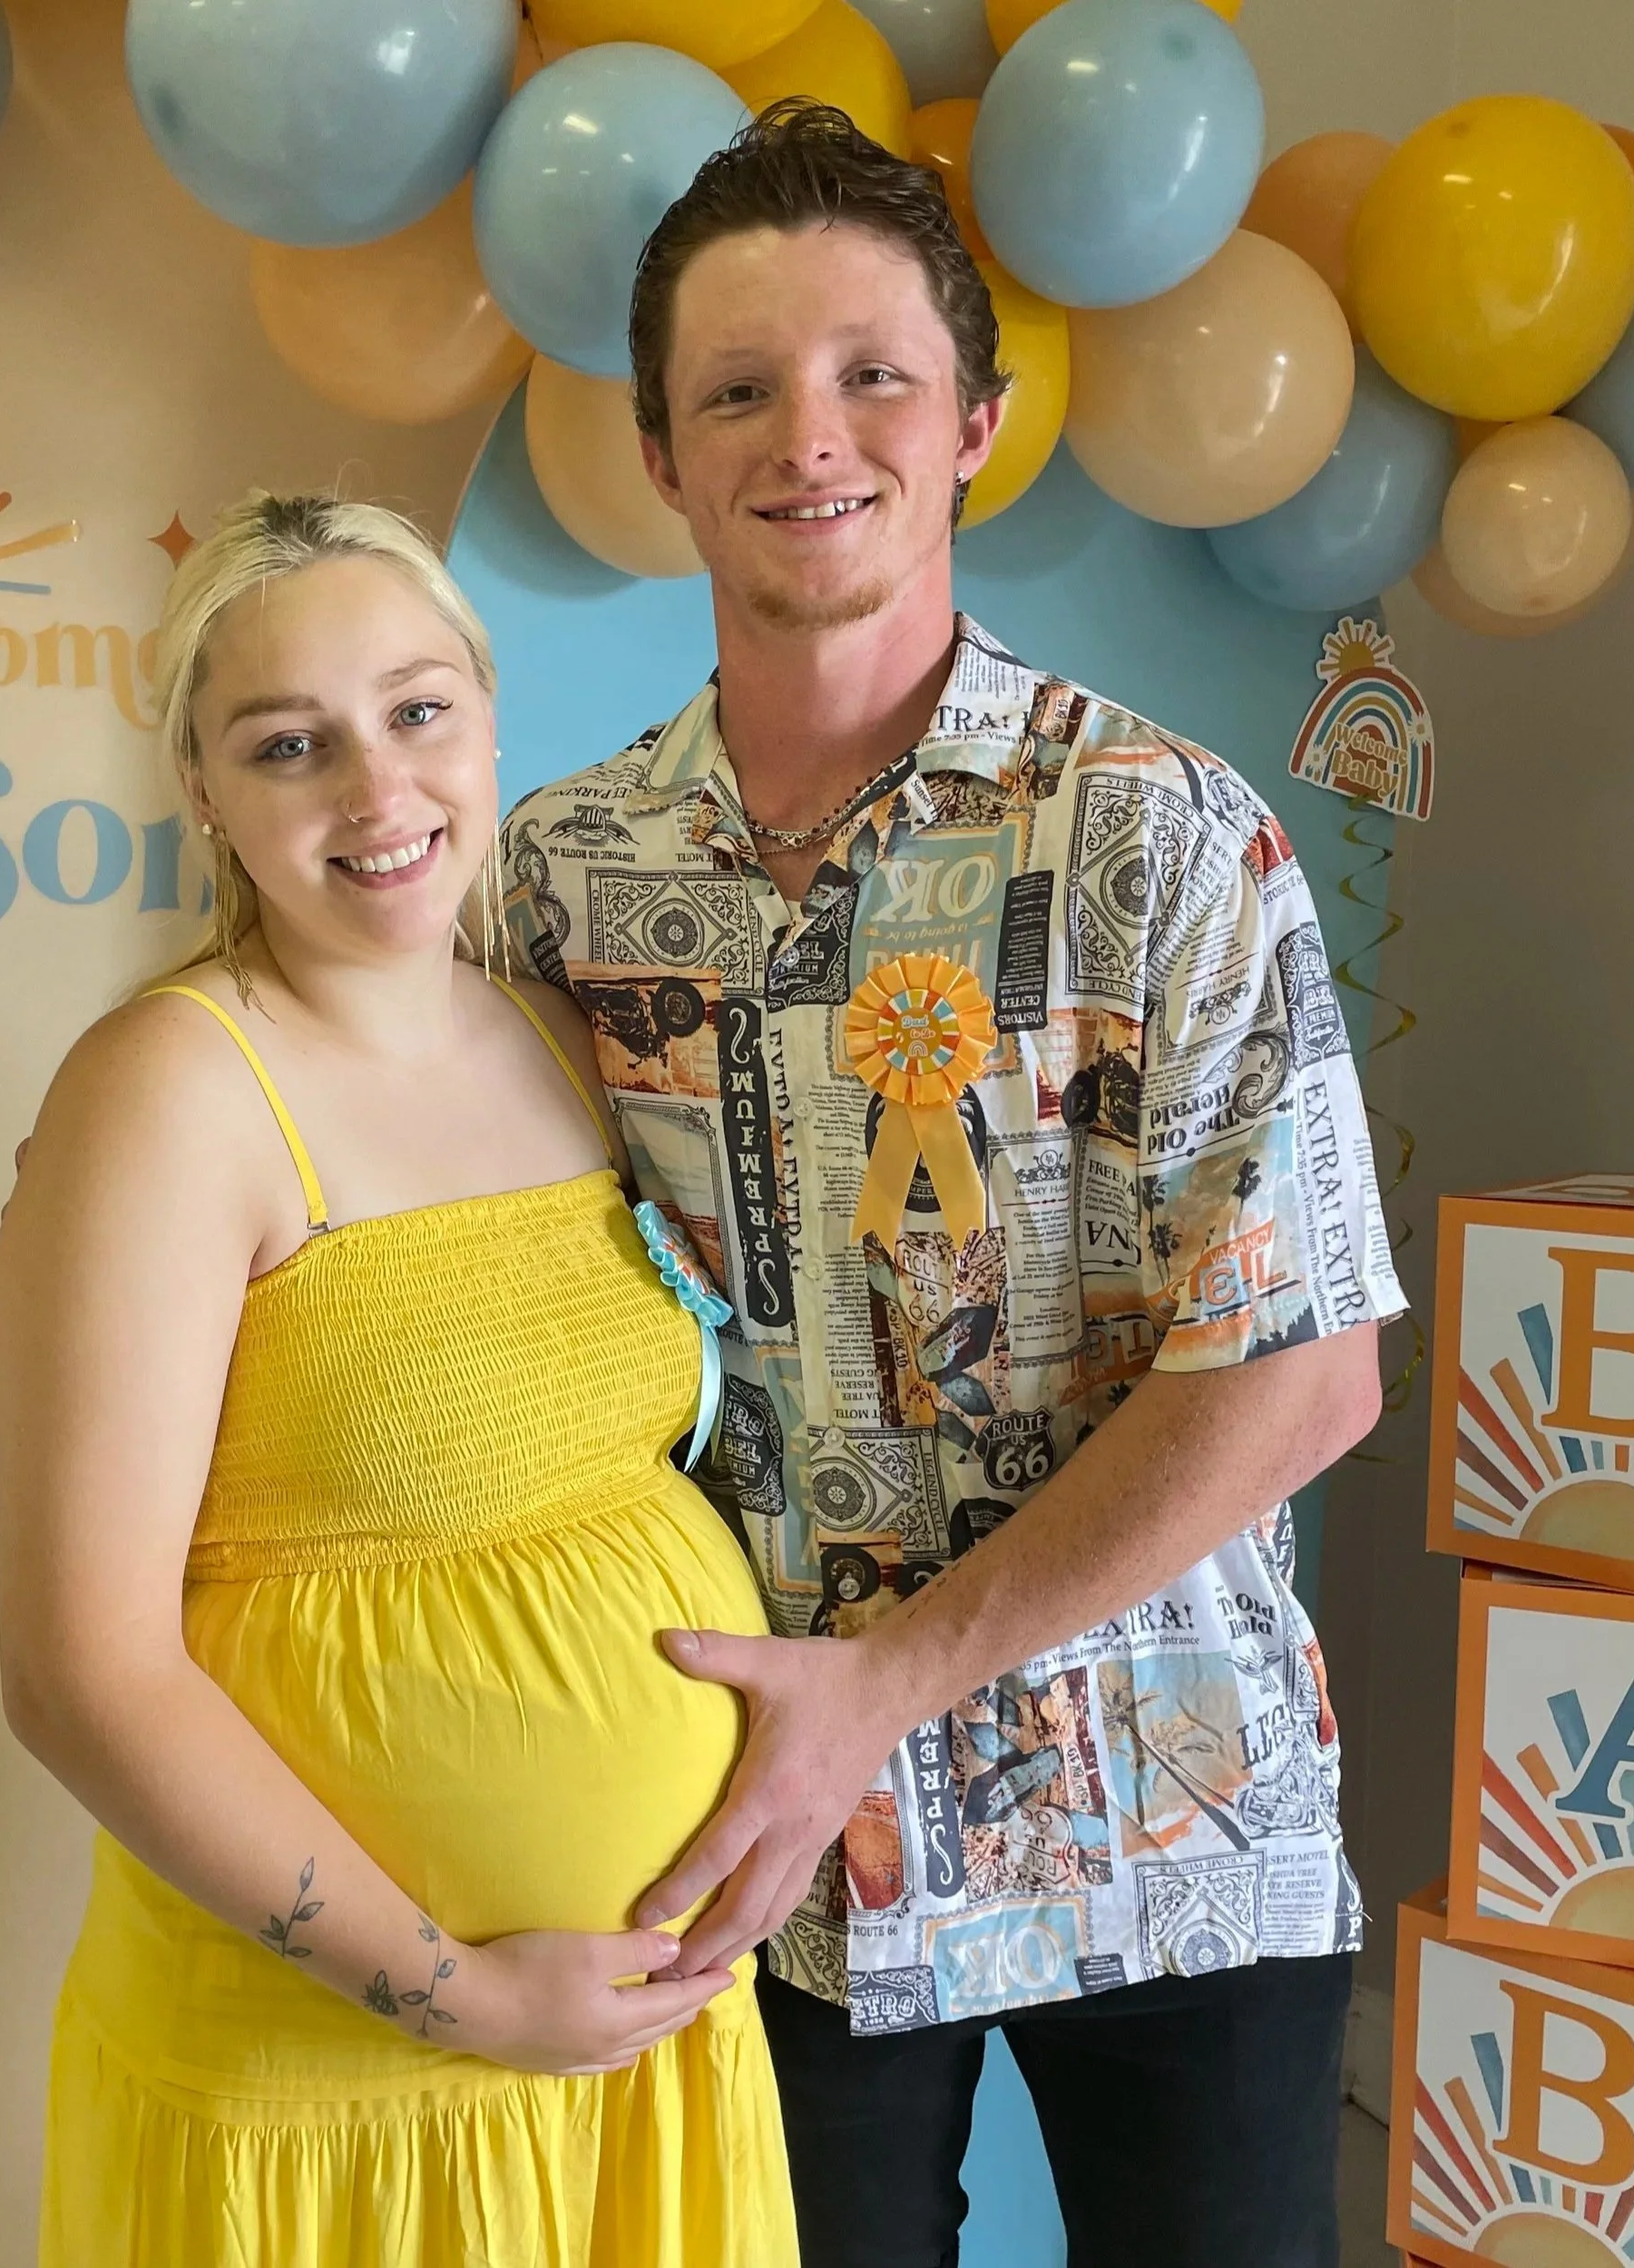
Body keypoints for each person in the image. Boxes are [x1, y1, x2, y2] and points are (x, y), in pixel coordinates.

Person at [499, 102, 1408, 2268]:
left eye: (870, 374)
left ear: (975, 423)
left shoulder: (1161, 833)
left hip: (1170, 1813)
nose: (805, 435)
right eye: (736, 387)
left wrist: (889, 1681)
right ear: (659, 455)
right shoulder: (553, 879)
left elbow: (1303, 1372)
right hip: (756, 1849)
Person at [0, 494, 797, 2265]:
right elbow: (77, 1672)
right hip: (346, 2089)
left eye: (415, 710)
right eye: (290, 743)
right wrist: (453, 1993)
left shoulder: (559, 1032)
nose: (375, 789)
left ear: (489, 715)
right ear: (203, 789)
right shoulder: (170, 1094)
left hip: (625, 2063)